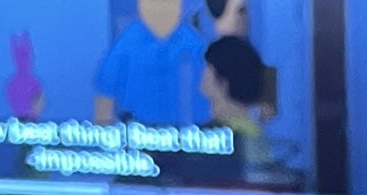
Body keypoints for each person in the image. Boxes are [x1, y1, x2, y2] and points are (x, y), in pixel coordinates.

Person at [94, 0, 207, 129]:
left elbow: (217, 94)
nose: (161, 8)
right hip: (136, 135)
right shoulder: (127, 42)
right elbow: (105, 93)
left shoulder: (194, 44)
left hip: (188, 138)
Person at [200, 33, 274, 178]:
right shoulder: (252, 131)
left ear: (222, 81)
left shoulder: (239, 138)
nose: (202, 79)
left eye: (207, 69)